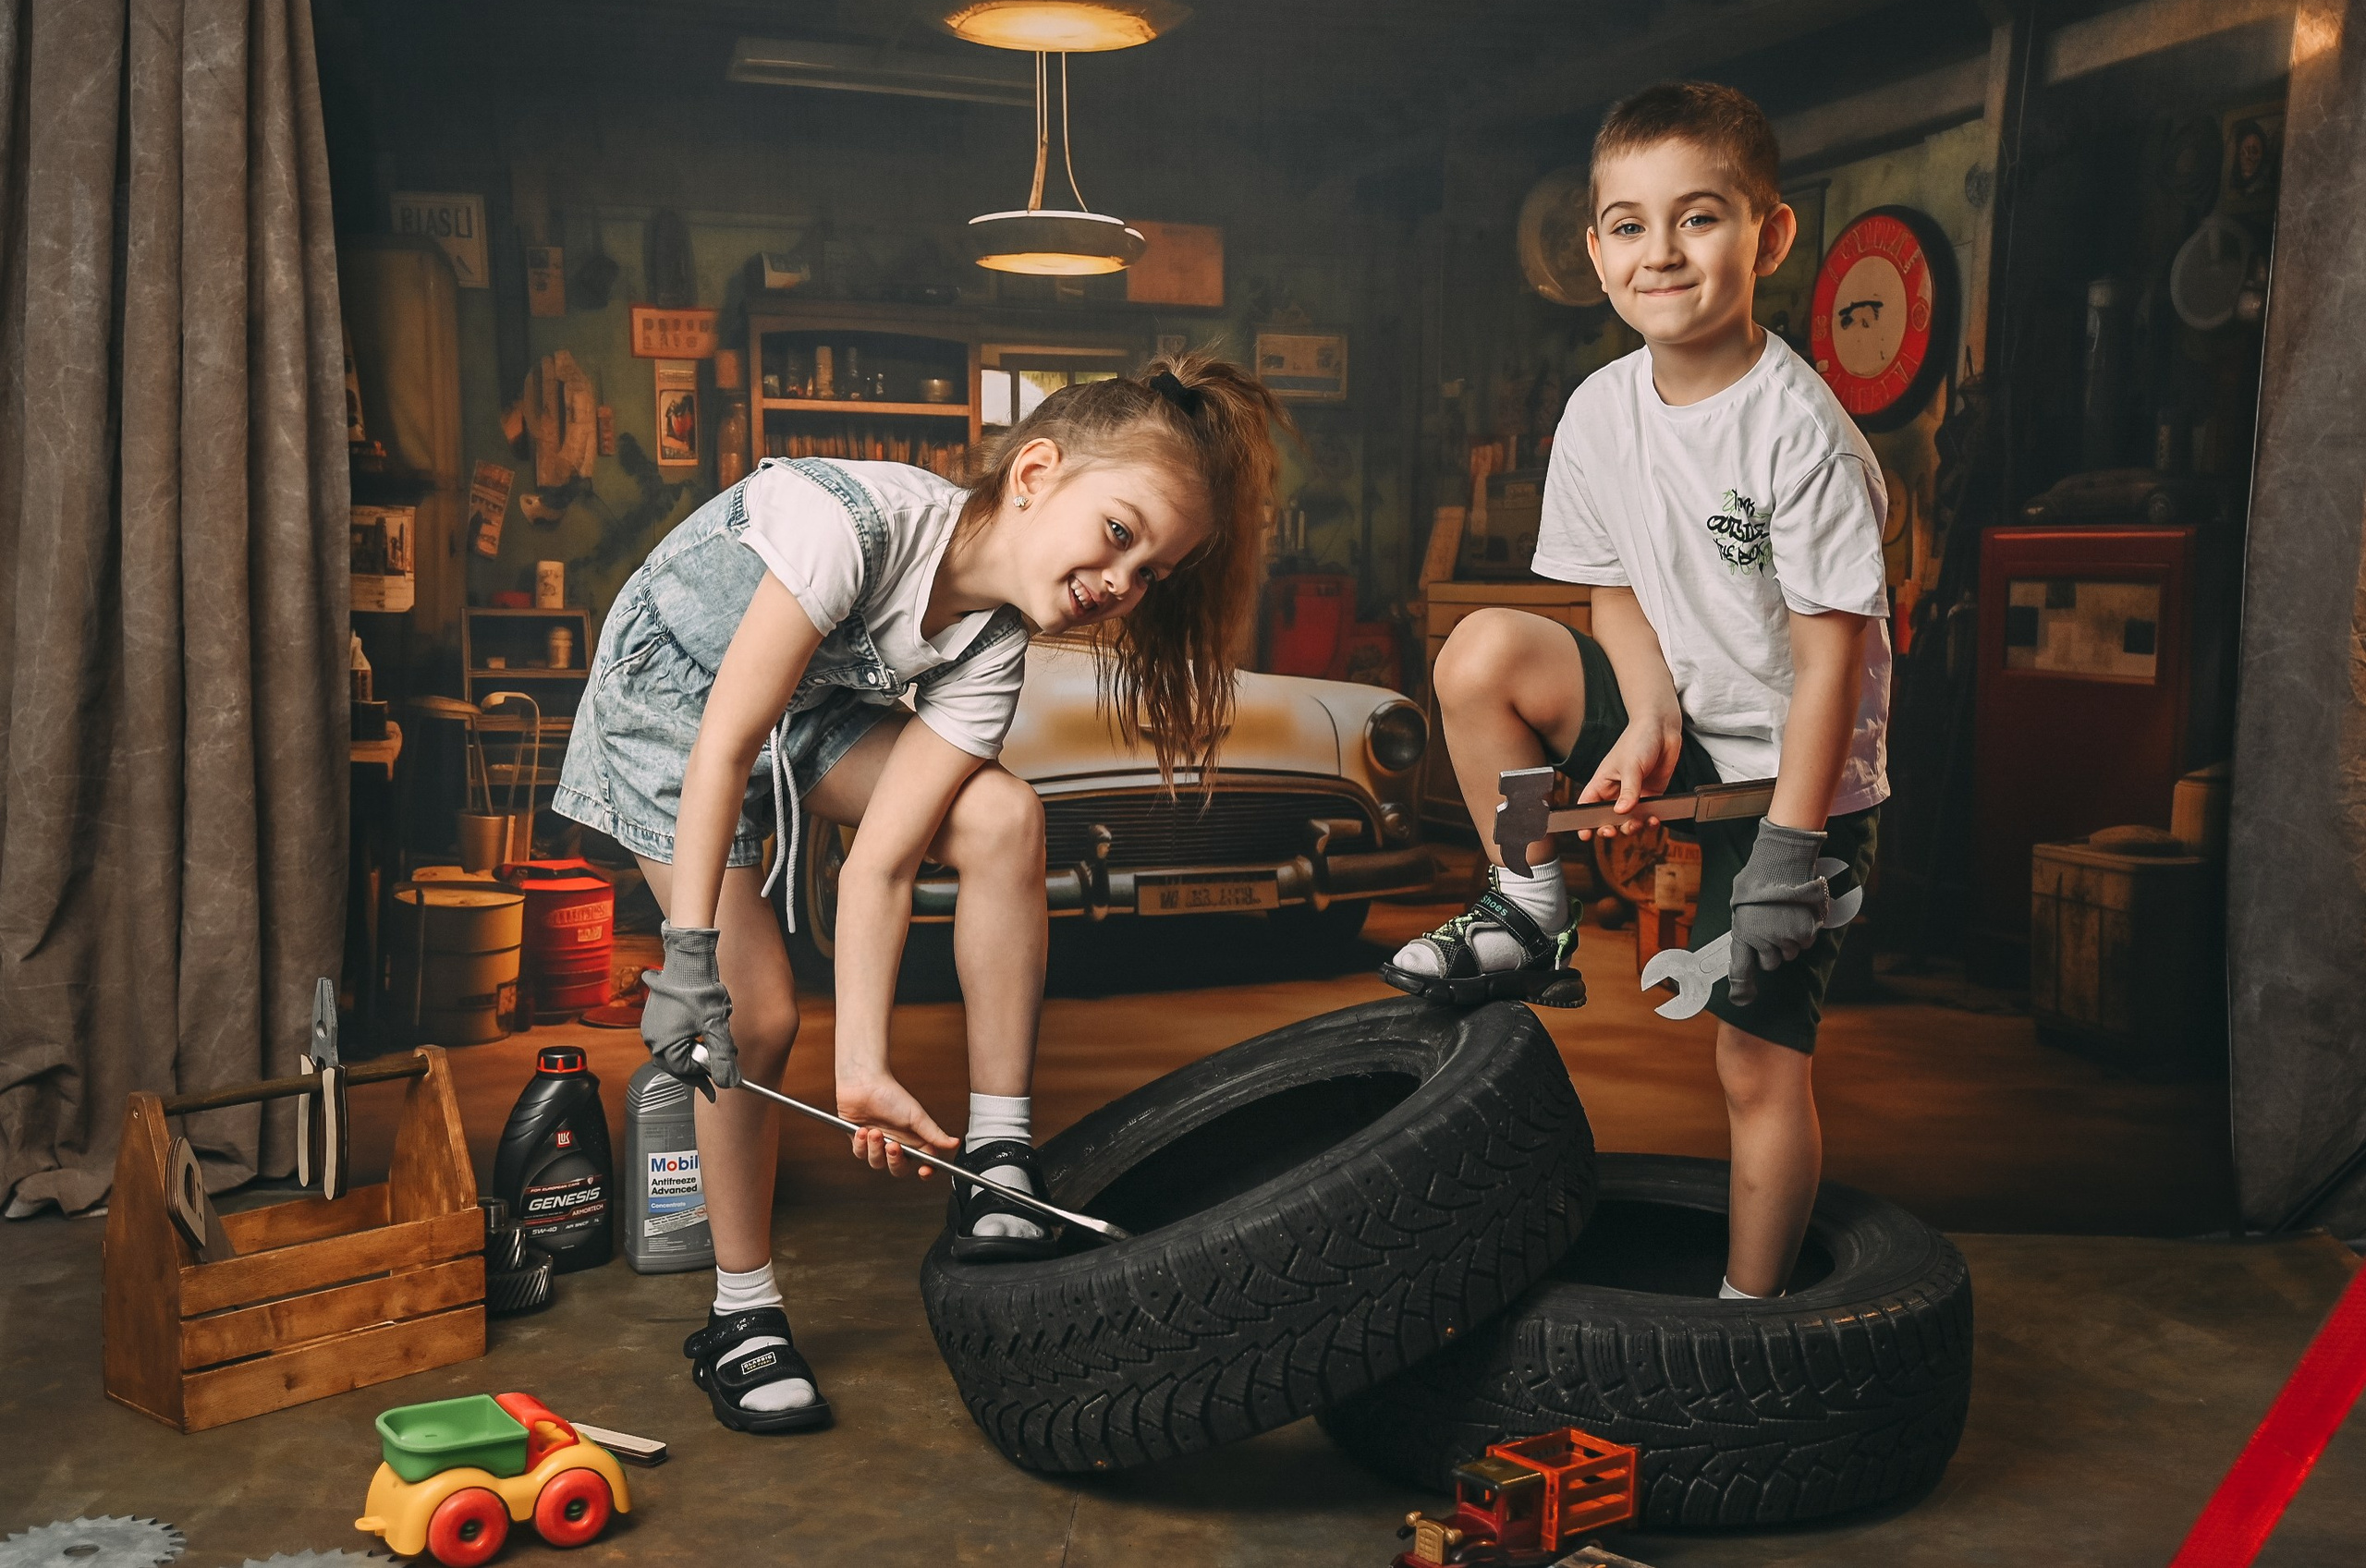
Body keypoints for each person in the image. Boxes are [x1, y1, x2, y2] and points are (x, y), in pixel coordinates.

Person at [553, 354, 1287, 1433]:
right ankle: (740, 1314)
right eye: (1120, 536)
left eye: (1152, 576)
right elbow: (724, 746)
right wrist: (690, 952)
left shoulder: (992, 647)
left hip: (804, 710)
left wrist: (863, 1064)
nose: (1122, 587)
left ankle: (995, 1155)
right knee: (752, 1017)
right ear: (1035, 472)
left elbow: (881, 863)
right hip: (675, 713)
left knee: (1000, 816)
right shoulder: (845, 526)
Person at [1382, 80, 1890, 1302]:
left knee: (1753, 1063)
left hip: (1796, 766)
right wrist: (1650, 716)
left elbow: (1834, 660)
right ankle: (1525, 901)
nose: (1659, 251)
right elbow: (1611, 592)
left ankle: (1747, 1314)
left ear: (1768, 237)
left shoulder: (1801, 436)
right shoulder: (1602, 408)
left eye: (1698, 217)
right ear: (1595, 248)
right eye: (1626, 222)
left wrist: (1789, 852)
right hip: (1690, 709)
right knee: (1484, 653)